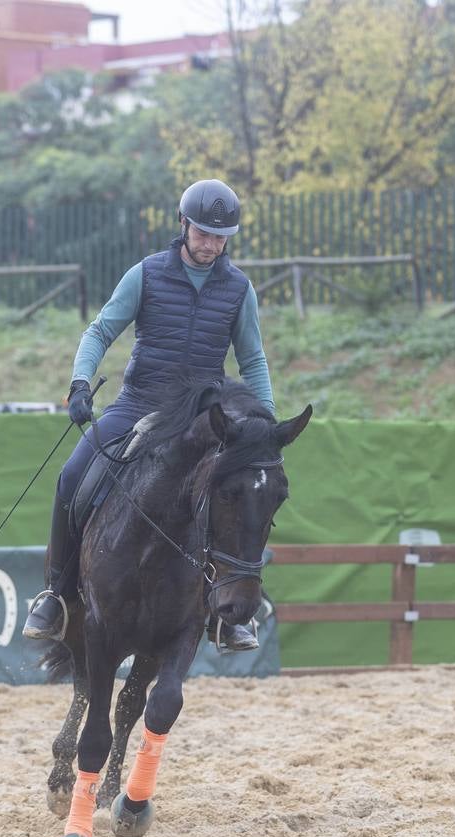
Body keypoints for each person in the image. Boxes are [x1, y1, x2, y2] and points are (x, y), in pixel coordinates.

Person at [21, 178, 275, 650]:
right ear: (183, 225)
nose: (211, 244)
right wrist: (80, 382)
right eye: (203, 233)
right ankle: (55, 593)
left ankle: (232, 615)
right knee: (72, 475)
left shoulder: (239, 289)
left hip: (203, 416)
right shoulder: (146, 274)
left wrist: (266, 426)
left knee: (246, 493)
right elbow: (99, 332)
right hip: (139, 404)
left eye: (221, 237)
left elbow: (253, 360)